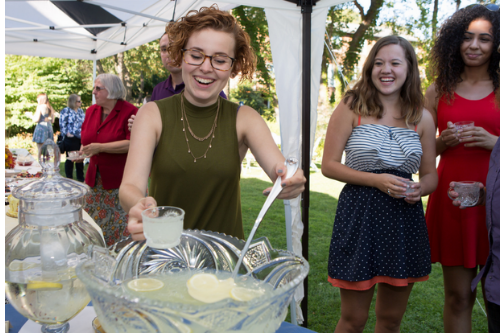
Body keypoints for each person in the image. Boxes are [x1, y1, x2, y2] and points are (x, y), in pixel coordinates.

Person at [119, 5, 306, 241]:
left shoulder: (244, 118)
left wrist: (290, 180)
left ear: (233, 66)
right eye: (196, 55)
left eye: (220, 60)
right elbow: (129, 186)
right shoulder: (152, 113)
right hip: (165, 256)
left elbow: (279, 170)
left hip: (224, 264)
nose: (206, 67)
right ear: (181, 55)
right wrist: (139, 204)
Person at [321, 35, 438, 332]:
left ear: (409, 69)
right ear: (370, 68)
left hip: (403, 222)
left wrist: (419, 189)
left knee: (389, 321)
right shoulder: (351, 107)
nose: (386, 69)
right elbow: (329, 166)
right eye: (379, 63)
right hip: (359, 218)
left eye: (395, 63)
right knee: (353, 319)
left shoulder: (422, 117)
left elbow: (430, 176)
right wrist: (376, 180)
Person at [424, 5, 500, 332]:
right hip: (454, 204)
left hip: (496, 205)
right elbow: (420, 154)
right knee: (458, 298)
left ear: (496, 45)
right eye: (467, 37)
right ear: (455, 41)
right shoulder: (437, 90)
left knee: (497, 299)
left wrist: (494, 142)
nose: (474, 45)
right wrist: (444, 141)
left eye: (484, 39)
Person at [127, 28, 227, 131]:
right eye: (164, 49)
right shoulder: (158, 90)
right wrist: (141, 125)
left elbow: (221, 131)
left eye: (175, 47)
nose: (169, 54)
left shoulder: (206, 88)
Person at [79, 74, 138, 246]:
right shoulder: (91, 111)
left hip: (120, 182)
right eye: (94, 88)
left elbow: (132, 143)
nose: (93, 92)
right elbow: (86, 139)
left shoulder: (130, 112)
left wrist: (100, 147)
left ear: (112, 91)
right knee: (91, 225)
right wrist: (84, 150)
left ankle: (119, 260)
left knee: (119, 228)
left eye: (98, 88)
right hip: (94, 182)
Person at [59, 94, 85, 182]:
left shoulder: (81, 111)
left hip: (80, 138)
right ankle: (69, 178)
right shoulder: (66, 111)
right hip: (71, 139)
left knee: (80, 158)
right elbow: (62, 124)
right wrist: (67, 133)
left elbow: (84, 122)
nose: (80, 102)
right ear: (73, 101)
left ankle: (80, 178)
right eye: (78, 101)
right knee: (70, 159)